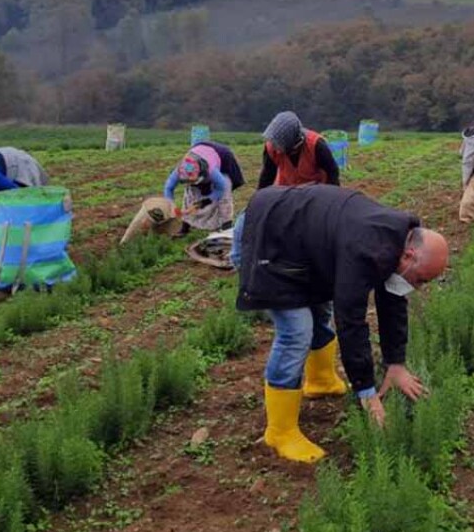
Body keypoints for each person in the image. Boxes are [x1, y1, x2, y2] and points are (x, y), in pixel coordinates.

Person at [232, 184, 449, 463]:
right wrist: (366, 391)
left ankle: (320, 381)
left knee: (319, 312)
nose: (419, 287)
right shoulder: (365, 247)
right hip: (265, 235)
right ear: (409, 256)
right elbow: (351, 320)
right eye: (421, 279)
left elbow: (393, 300)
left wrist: (395, 363)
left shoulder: (395, 240)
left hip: (299, 242)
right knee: (296, 332)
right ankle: (280, 432)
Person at [164, 141, 245, 233]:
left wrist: (205, 201)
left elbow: (220, 189)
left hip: (224, 160)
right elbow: (168, 188)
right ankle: (185, 226)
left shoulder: (212, 172)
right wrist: (171, 205)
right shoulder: (180, 171)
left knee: (224, 196)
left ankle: (226, 225)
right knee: (190, 195)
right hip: (199, 152)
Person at [256, 111, 340, 189]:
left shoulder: (316, 145)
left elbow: (332, 172)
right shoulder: (271, 147)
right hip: (287, 190)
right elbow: (267, 176)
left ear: (291, 143)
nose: (275, 148)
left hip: (315, 191)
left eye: (278, 145)